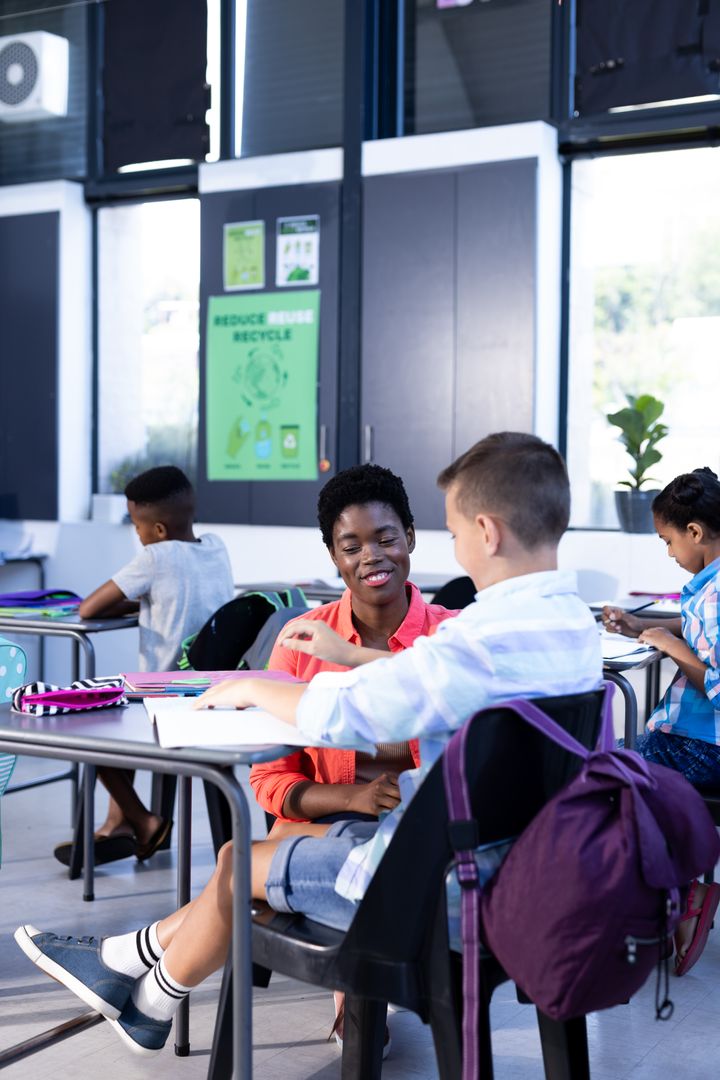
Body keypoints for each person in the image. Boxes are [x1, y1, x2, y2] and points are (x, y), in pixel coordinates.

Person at [16, 432, 602, 1057]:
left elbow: (344, 709)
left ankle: (146, 990)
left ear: (485, 532)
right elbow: (381, 702)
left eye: (452, 532)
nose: (450, 546)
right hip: (524, 873)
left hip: (434, 889)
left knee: (238, 863)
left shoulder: (468, 642)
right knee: (268, 848)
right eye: (351, 545)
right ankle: (142, 984)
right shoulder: (574, 630)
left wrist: (251, 688)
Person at [250, 463, 458, 828]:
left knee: (234, 863)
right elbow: (270, 778)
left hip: (429, 825)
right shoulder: (302, 640)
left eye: (386, 539)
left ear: (409, 537)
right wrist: (355, 798)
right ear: (334, 556)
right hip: (331, 821)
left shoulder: (454, 634)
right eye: (351, 547)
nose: (370, 556)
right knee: (234, 860)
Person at [53, 466, 234, 868]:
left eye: (136, 525)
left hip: (164, 693)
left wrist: (141, 597)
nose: (136, 534)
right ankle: (117, 826)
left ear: (157, 530)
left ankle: (144, 821)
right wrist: (149, 601)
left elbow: (89, 608)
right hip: (214, 687)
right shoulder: (216, 546)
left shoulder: (155, 557)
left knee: (87, 724)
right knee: (119, 700)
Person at [602, 466, 720, 975]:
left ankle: (679, 893)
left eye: (668, 541)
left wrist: (670, 645)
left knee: (607, 777)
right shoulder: (710, 585)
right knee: (622, 758)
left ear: (695, 532)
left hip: (704, 746)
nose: (669, 553)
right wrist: (642, 625)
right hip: (698, 739)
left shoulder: (716, 593)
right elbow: (697, 626)